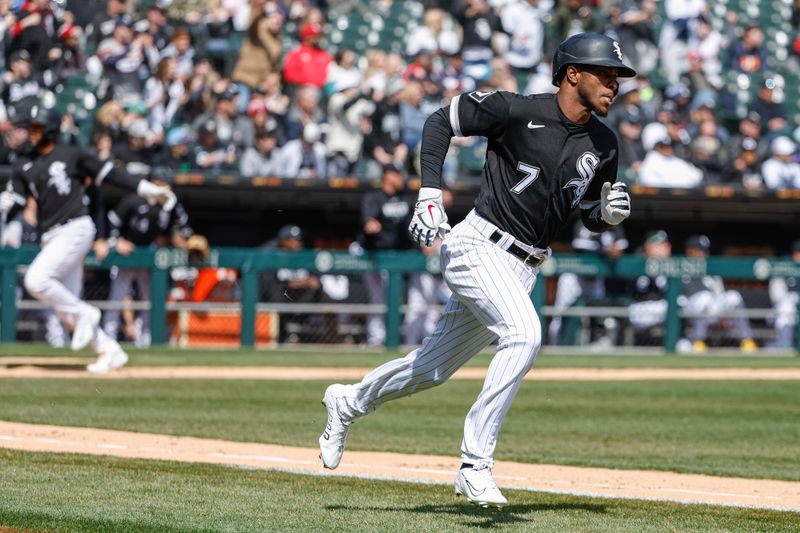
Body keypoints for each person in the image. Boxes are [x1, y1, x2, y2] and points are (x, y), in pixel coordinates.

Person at [318, 33, 634, 507]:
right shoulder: (516, 109)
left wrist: (604, 217)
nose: (614, 84)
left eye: (617, 76)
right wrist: (428, 193)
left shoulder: (605, 143)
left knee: (430, 370)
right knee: (525, 334)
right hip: (477, 245)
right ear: (573, 73)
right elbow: (439, 120)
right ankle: (475, 465)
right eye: (605, 74)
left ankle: (349, 401)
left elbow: (587, 209)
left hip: (524, 265)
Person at [0, 105, 176, 372]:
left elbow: (113, 175)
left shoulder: (71, 154)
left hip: (77, 227)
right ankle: (110, 350)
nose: (30, 134)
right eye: (29, 128)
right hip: (52, 236)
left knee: (36, 280)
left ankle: (88, 314)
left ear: (49, 129)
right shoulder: (25, 164)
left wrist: (149, 189)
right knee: (65, 308)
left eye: (35, 128)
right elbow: (14, 202)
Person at [102, 192, 191, 347]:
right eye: (162, 183)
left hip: (150, 257)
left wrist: (181, 239)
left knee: (151, 300)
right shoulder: (133, 200)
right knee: (117, 299)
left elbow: (182, 226)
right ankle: (108, 340)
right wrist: (117, 240)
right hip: (125, 255)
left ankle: (145, 340)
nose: (166, 188)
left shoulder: (170, 203)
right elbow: (111, 220)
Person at [353, 163, 413, 346]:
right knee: (378, 300)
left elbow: (409, 229)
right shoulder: (374, 196)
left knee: (390, 299)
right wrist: (370, 223)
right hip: (370, 253)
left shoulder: (405, 199)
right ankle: (375, 340)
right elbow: (368, 219)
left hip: (392, 255)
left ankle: (387, 338)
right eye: (398, 175)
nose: (401, 179)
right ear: (388, 176)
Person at [547, 221, 628, 346]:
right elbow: (580, 247)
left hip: (596, 278)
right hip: (574, 276)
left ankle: (594, 344)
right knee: (560, 313)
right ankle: (554, 345)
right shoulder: (586, 221)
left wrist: (612, 251)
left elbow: (621, 247)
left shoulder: (614, 224)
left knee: (598, 313)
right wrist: (606, 251)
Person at [679, 235, 758, 353]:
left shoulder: (711, 271)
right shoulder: (680, 267)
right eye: (699, 250)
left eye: (704, 251)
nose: (703, 254)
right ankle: (698, 341)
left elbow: (720, 295)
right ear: (690, 251)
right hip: (690, 311)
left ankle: (747, 340)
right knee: (704, 298)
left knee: (734, 296)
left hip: (712, 310)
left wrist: (724, 315)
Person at [767, 239, 800, 349]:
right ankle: (784, 345)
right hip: (780, 311)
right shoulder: (782, 268)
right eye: (798, 252)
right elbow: (776, 297)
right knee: (787, 308)